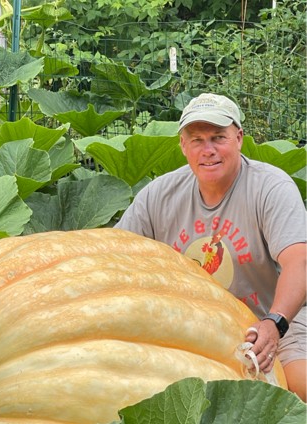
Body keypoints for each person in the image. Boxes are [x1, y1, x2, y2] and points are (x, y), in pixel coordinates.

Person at [115, 93, 307, 401]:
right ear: (183, 145)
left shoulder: (271, 188)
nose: (208, 150)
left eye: (219, 137)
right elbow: (113, 253)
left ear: (239, 138)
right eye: (197, 140)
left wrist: (275, 323)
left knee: (299, 387)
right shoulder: (159, 195)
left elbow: (299, 262)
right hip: (194, 331)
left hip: (271, 324)